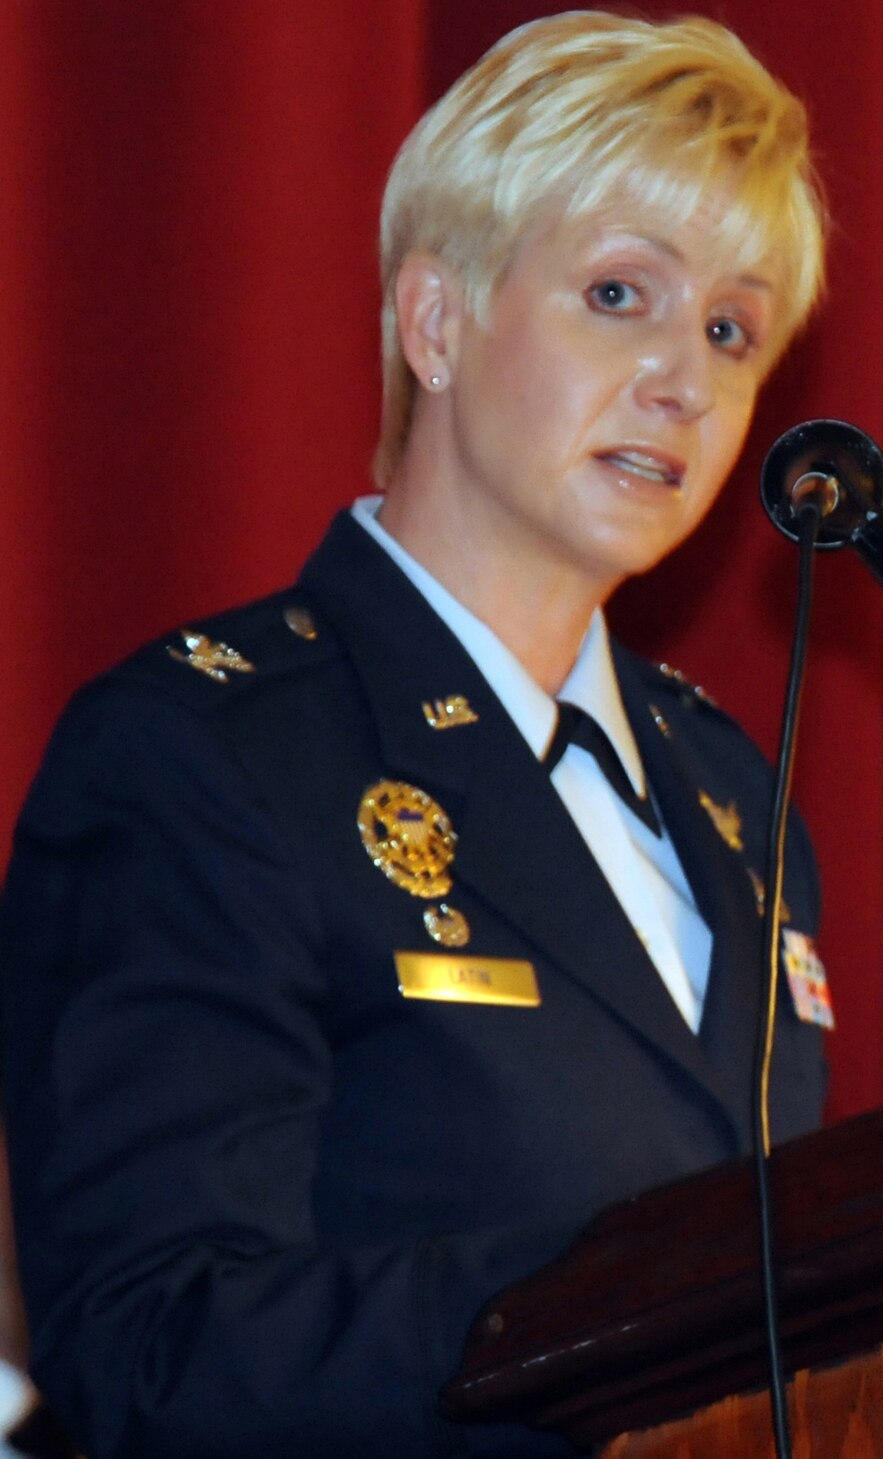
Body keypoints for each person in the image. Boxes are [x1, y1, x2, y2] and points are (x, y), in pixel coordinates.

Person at [0, 13, 832, 1457]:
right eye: (619, 294)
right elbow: (154, 1344)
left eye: (729, 329)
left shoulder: (736, 806)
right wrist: (625, 1297)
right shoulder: (209, 758)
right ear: (434, 322)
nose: (684, 382)